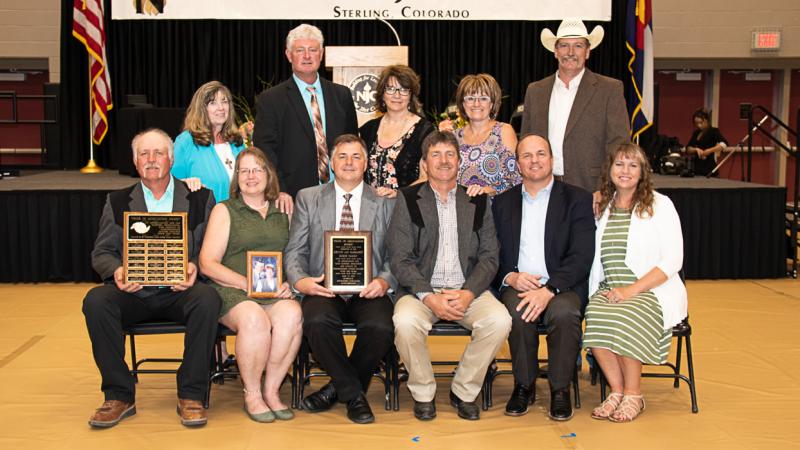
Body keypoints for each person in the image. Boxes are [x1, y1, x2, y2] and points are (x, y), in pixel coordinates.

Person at [82, 128, 221, 428]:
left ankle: (191, 394)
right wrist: (118, 271)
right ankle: (119, 394)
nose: (152, 159)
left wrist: (195, 265)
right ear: (135, 162)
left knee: (208, 299)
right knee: (95, 301)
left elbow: (212, 248)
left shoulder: (200, 198)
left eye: (159, 153)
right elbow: (101, 253)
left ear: (171, 159)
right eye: (144, 154)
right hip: (133, 292)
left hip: (179, 291)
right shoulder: (117, 201)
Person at [389, 130, 512, 421]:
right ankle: (423, 392)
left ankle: (464, 390)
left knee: (499, 320)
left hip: (467, 289)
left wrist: (469, 292)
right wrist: (429, 297)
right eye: (435, 154)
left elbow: (489, 256)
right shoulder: (407, 199)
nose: (443, 161)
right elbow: (400, 258)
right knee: (404, 322)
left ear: (459, 161)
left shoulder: (477, 200)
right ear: (424, 163)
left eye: (450, 154)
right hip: (422, 291)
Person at [284, 134, 397, 424]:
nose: (349, 162)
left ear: (366, 164)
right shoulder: (308, 197)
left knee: (381, 326)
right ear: (331, 163)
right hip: (322, 287)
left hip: (369, 288)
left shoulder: (385, 202)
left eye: (356, 156)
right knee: (317, 322)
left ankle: (337, 389)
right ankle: (354, 395)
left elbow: (397, 254)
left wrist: (384, 281)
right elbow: (295, 250)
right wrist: (301, 281)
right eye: (342, 156)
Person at [492, 134, 595, 420]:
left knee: (564, 314)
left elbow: (582, 255)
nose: (534, 160)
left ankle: (560, 389)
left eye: (540, 154)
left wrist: (549, 288)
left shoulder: (577, 199)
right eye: (527, 155)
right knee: (518, 311)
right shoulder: (502, 203)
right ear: (517, 164)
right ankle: (524, 385)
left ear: (552, 160)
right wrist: (510, 277)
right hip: (519, 283)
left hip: (563, 285)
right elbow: (491, 253)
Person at [583, 143, 687, 423]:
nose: (625, 171)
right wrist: (614, 291)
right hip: (609, 287)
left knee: (626, 316)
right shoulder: (602, 205)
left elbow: (673, 259)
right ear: (610, 170)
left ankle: (634, 394)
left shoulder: (660, 204)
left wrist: (631, 290)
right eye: (619, 164)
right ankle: (616, 392)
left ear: (642, 172)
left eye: (633, 165)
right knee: (595, 317)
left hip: (650, 289)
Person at [199, 147, 302, 422]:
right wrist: (247, 284)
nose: (251, 176)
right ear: (237, 178)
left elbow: (296, 254)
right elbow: (207, 263)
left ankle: (272, 390)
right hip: (231, 289)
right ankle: (252, 394)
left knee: (293, 314)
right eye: (244, 170)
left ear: (269, 175)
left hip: (273, 291)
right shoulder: (225, 210)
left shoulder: (284, 210)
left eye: (257, 169)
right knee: (255, 319)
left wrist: (290, 282)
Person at [521, 18, 630, 193]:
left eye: (578, 46)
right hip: (543, 187)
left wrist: (607, 188)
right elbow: (526, 140)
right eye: (564, 45)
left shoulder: (609, 89)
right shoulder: (536, 91)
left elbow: (619, 144)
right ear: (555, 51)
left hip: (592, 189)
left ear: (587, 52)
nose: (570, 52)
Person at [253, 23, 358, 198]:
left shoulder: (342, 95)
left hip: (341, 193)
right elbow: (265, 150)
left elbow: (352, 143)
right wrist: (280, 190)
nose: (307, 56)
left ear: (322, 54)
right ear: (288, 55)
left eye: (313, 50)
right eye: (300, 50)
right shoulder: (271, 99)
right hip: (293, 196)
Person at [359, 65, 435, 198]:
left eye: (404, 89)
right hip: (371, 210)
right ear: (382, 94)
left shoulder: (425, 131)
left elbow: (429, 177)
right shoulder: (367, 130)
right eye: (391, 89)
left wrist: (398, 195)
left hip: (407, 208)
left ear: (411, 95)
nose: (397, 95)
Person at [440, 74, 521, 196]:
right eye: (470, 98)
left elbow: (515, 178)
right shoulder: (455, 137)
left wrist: (486, 191)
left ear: (492, 104)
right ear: (463, 104)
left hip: (494, 209)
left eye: (483, 98)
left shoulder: (504, 131)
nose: (476, 104)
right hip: (461, 210)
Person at [685, 108, 728, 176]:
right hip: (697, 168)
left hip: (709, 168)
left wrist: (710, 150)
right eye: (696, 123)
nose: (699, 125)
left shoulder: (713, 131)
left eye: (701, 123)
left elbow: (724, 144)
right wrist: (696, 149)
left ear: (706, 120)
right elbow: (688, 148)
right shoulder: (696, 133)